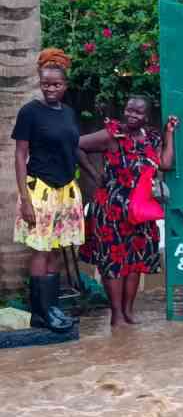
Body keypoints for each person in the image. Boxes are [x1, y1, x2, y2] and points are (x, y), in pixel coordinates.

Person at [12, 48, 97, 332]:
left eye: (56, 84)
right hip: (41, 191)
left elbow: (73, 148)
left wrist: (93, 176)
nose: (50, 88)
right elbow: (20, 155)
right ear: (40, 82)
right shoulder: (30, 113)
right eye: (46, 83)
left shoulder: (69, 113)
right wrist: (25, 199)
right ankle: (43, 312)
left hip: (65, 190)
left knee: (58, 251)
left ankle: (53, 308)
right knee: (41, 251)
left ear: (65, 86)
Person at [78, 96, 178, 327]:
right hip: (111, 209)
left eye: (138, 112)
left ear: (147, 116)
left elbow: (165, 163)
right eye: (129, 110)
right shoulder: (112, 134)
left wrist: (170, 133)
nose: (132, 115)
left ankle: (128, 312)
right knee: (113, 262)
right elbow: (76, 143)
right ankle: (117, 315)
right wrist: (94, 174)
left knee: (135, 262)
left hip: (140, 211)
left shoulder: (152, 137)